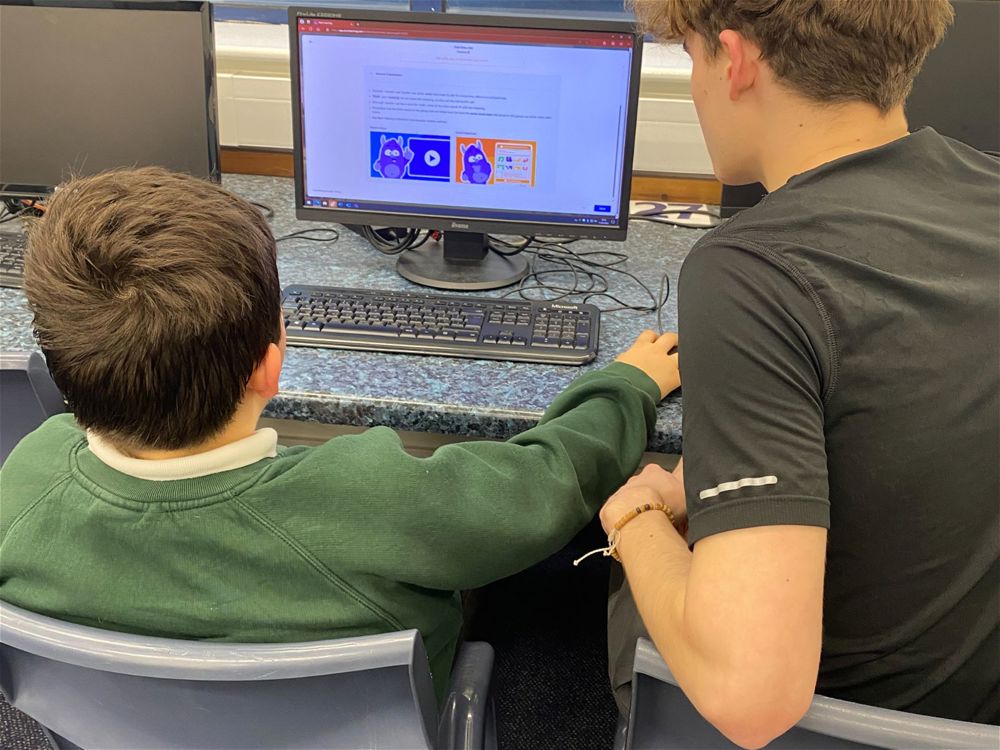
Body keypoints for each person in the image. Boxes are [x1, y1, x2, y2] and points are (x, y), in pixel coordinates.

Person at [0, 167, 681, 703]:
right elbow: (549, 482)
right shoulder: (371, 499)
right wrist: (628, 385)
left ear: (64, 370)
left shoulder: (24, 483)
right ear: (271, 366)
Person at [602, 1, 999, 745]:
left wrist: (635, 517)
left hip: (833, 728)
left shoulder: (751, 273)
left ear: (736, 60)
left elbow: (749, 695)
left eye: (691, 60)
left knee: (624, 571)